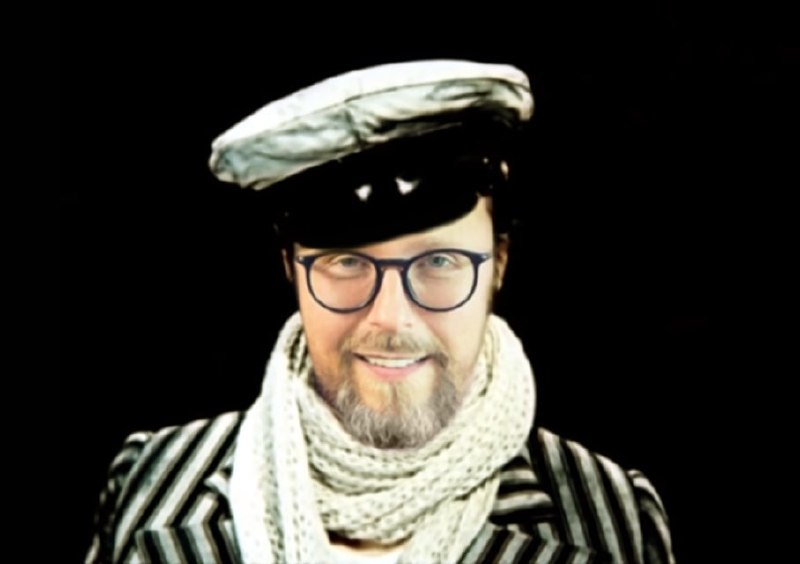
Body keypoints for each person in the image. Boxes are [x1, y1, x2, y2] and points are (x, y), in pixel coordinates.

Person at [86, 60, 675, 564]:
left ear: (498, 264)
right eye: (346, 262)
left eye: (439, 261)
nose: (391, 319)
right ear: (291, 267)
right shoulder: (151, 483)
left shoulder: (611, 518)